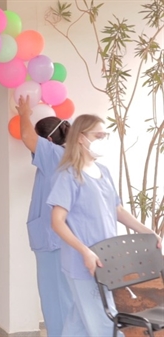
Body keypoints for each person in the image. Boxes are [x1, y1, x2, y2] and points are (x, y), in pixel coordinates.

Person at [46, 114, 161, 336]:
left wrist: (149, 232)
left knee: (79, 320)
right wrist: (85, 251)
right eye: (98, 136)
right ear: (81, 138)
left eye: (105, 135)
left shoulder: (104, 172)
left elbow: (117, 210)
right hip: (84, 262)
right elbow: (57, 222)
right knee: (102, 323)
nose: (103, 139)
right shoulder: (68, 175)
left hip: (107, 259)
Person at [16, 96, 73, 337]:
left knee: (54, 297)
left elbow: (28, 137)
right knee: (64, 295)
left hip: (52, 240)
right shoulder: (68, 156)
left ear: (47, 139)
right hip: (60, 239)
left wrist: (24, 113)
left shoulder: (53, 154)